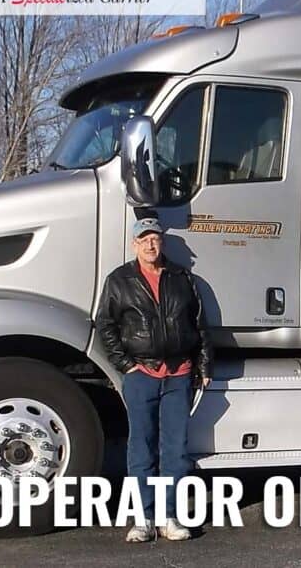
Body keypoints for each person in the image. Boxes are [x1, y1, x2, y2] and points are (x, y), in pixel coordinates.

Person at [95, 217, 212, 543]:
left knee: (175, 450)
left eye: (155, 238)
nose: (150, 244)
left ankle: (169, 517)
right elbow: (105, 325)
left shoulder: (181, 278)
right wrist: (126, 365)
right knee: (141, 448)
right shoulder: (120, 280)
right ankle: (143, 519)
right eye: (143, 239)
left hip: (179, 375)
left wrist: (203, 366)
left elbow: (200, 325)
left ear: (162, 243)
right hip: (141, 375)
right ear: (135, 244)